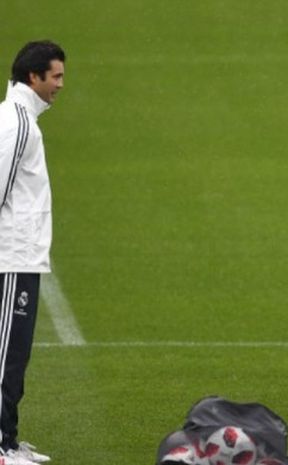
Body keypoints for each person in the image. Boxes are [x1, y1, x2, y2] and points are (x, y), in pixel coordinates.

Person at [0, 40, 66, 464]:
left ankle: (8, 439)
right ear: (33, 76)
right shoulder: (16, 122)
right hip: (10, 257)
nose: (61, 84)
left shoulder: (23, 119)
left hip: (23, 256)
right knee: (5, 354)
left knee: (15, 353)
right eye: (56, 76)